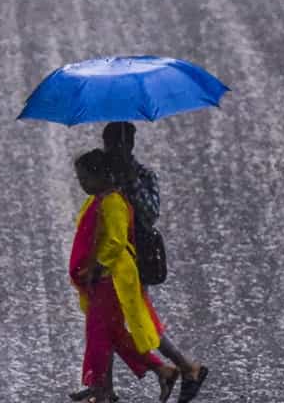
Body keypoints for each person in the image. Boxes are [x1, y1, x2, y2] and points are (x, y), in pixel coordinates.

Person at [101, 124, 210, 403]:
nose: (112, 149)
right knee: (110, 320)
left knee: (135, 320)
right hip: (111, 255)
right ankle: (184, 368)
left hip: (135, 259)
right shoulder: (104, 174)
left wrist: (129, 181)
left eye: (117, 143)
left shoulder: (143, 175)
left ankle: (183, 367)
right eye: (109, 143)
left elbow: (150, 214)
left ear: (130, 145)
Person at [69, 149, 180, 403]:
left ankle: (107, 386)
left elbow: (116, 241)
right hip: (102, 279)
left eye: (85, 178)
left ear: (101, 176)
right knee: (111, 335)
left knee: (101, 335)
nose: (82, 184)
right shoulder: (100, 200)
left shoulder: (113, 203)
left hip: (111, 280)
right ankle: (111, 385)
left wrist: (96, 266)